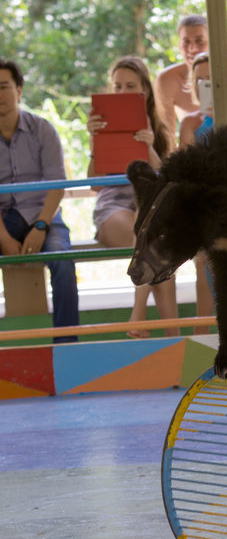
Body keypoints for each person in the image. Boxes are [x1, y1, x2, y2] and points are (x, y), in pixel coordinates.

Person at [87, 56, 178, 337]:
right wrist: (94, 142)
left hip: (149, 210)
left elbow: (167, 184)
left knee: (153, 233)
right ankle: (172, 334)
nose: (123, 93)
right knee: (154, 241)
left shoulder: (159, 130)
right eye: (117, 87)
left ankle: (140, 318)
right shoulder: (100, 128)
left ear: (145, 91)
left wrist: (149, 147)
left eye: (130, 86)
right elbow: (94, 185)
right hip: (114, 210)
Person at [0, 58, 79, 342]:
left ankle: (67, 346)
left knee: (64, 262)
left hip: (44, 216)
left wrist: (42, 225)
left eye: (4, 86)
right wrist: (4, 238)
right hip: (3, 220)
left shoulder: (42, 129)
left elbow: (57, 185)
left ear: (19, 90)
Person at [179, 51, 227, 332]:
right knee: (204, 259)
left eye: (211, 80)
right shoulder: (191, 123)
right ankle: (203, 331)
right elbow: (185, 169)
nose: (206, 86)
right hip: (208, 206)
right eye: (200, 81)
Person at [155, 14, 227, 139]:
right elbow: (166, 134)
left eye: (199, 41)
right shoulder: (167, 79)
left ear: (212, 43)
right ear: (179, 46)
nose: (192, 49)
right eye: (186, 42)